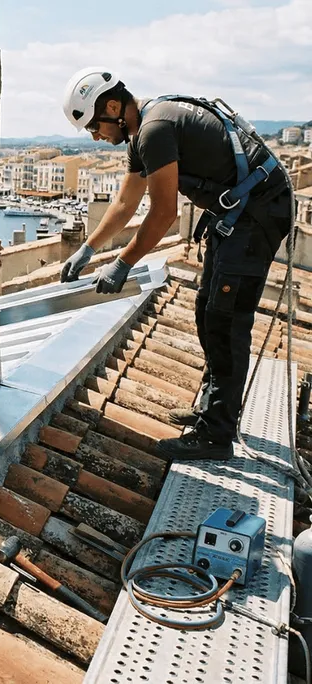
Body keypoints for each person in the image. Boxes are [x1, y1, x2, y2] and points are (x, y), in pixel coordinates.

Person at [58, 67, 293, 461]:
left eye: (94, 127)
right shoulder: (144, 133)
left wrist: (122, 262)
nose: (96, 136)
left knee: (226, 319)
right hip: (237, 216)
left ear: (113, 107)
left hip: (258, 216)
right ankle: (211, 413)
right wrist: (89, 248)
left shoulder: (155, 130)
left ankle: (216, 436)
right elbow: (125, 204)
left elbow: (164, 211)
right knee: (207, 311)